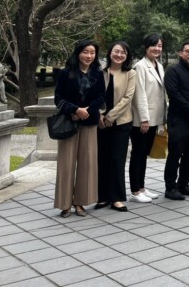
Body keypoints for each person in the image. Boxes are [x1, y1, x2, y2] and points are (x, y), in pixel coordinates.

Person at [54, 40, 105, 217]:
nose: (89, 56)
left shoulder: (98, 74)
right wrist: (74, 110)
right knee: (66, 164)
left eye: (92, 53)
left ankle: (80, 202)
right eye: (85, 52)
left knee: (87, 163)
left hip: (89, 123)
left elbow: (101, 97)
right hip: (69, 123)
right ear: (78, 53)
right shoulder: (65, 73)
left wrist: (87, 111)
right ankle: (65, 204)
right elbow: (58, 98)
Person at [96, 41, 135, 212]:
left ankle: (117, 198)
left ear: (127, 56)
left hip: (121, 122)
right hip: (101, 122)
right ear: (110, 52)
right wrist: (100, 115)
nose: (119, 55)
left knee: (117, 159)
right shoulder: (100, 72)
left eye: (123, 53)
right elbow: (94, 95)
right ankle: (102, 196)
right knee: (102, 159)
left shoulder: (130, 73)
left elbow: (128, 98)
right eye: (116, 51)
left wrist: (111, 116)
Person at [163, 40, 189, 200]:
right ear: (180, 53)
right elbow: (174, 94)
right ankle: (170, 187)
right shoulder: (173, 70)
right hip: (179, 119)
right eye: (188, 51)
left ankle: (184, 184)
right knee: (175, 153)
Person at [129, 33, 167, 203]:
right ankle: (135, 191)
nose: (157, 49)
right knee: (138, 153)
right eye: (154, 45)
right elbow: (140, 95)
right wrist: (144, 119)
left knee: (144, 154)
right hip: (143, 120)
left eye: (159, 46)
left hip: (155, 117)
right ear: (146, 47)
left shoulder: (158, 65)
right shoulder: (140, 66)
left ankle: (142, 187)